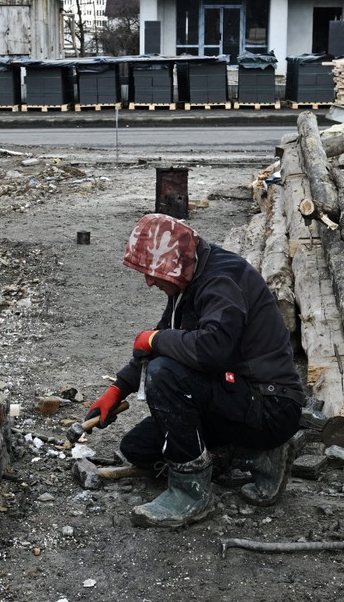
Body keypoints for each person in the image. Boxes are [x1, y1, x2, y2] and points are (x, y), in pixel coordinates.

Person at [85, 213, 305, 528]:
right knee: (139, 448)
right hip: (238, 399)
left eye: (153, 272)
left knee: (166, 374)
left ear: (177, 263)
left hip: (271, 405)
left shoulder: (221, 281)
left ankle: (191, 494)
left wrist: (157, 339)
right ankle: (259, 456)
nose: (148, 281)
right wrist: (118, 389)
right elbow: (154, 347)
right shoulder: (188, 281)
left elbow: (211, 350)